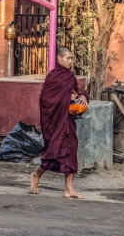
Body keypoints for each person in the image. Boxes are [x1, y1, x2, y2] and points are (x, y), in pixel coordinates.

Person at [30, 46, 88, 198]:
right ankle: (36, 175)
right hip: (54, 121)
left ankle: (69, 189)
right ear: (59, 59)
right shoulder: (52, 76)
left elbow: (77, 91)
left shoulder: (70, 76)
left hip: (67, 120)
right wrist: (63, 101)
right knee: (54, 152)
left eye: (71, 59)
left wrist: (82, 96)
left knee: (71, 150)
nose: (70, 61)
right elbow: (46, 100)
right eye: (68, 58)